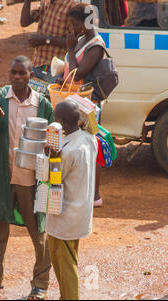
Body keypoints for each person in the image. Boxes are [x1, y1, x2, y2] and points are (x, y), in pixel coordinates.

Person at [0, 56, 54, 300]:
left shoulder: (42, 103)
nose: (17, 77)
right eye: (13, 73)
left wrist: (49, 147)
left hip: (31, 178)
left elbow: (53, 133)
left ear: (31, 75)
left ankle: (40, 284)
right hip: (1, 176)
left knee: (39, 231)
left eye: (22, 73)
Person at [45, 100, 97, 300]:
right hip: (81, 211)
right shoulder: (89, 138)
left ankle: (69, 297)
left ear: (62, 123)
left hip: (64, 216)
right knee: (70, 258)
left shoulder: (66, 152)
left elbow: (53, 178)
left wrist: (50, 158)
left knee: (64, 265)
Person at [60, 3, 108, 208]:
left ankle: (95, 195)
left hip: (88, 106)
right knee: (73, 145)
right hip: (73, 101)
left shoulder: (96, 45)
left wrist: (70, 49)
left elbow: (78, 74)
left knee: (90, 144)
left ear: (87, 22)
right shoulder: (82, 40)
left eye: (75, 24)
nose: (72, 28)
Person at [20, 0, 77, 83]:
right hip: (38, 64)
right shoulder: (45, 3)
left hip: (57, 69)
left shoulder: (71, 6)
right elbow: (24, 22)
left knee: (51, 95)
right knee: (35, 95)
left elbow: (74, 42)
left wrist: (45, 40)